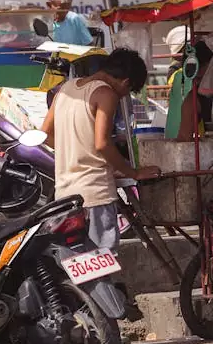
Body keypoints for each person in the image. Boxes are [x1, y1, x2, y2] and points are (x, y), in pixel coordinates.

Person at [41, 49, 160, 250]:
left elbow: (45, 133)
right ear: (125, 82)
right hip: (95, 195)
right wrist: (134, 172)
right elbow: (102, 143)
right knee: (100, 263)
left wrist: (76, 151)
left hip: (64, 196)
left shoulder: (66, 89)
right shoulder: (106, 93)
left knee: (76, 264)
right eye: (128, 92)